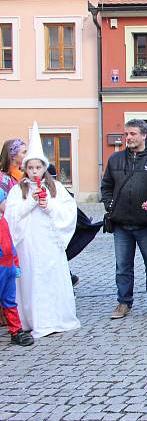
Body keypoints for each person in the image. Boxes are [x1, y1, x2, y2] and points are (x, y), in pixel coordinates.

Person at [5, 122, 80, 338]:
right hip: (28, 242)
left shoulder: (55, 188)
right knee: (31, 279)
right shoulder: (19, 189)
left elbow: (68, 212)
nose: (34, 171)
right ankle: (32, 318)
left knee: (49, 276)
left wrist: (48, 206)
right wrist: (31, 204)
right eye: (30, 168)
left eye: (38, 168)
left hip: (48, 242)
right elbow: (12, 214)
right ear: (25, 168)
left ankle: (53, 317)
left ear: (44, 168)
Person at [100, 119, 147, 319]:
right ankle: (123, 302)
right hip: (121, 223)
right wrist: (109, 205)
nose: (128, 137)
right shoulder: (115, 159)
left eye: (132, 134)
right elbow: (106, 186)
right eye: (126, 134)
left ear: (144, 135)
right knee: (122, 266)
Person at [0, 213, 33, 346]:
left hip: (8, 267)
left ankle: (16, 331)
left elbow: (10, 245)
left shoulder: (4, 221)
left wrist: (15, 263)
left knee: (10, 301)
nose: (5, 204)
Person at [0, 139, 26, 213]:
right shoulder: (2, 178)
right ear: (13, 156)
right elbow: (4, 208)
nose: (26, 156)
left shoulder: (23, 175)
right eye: (24, 152)